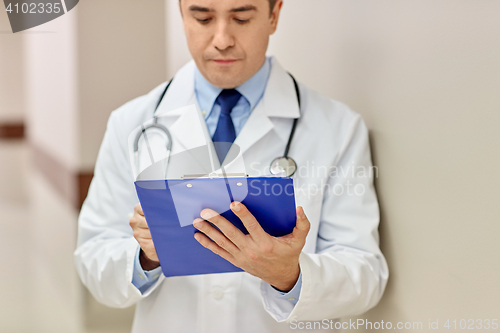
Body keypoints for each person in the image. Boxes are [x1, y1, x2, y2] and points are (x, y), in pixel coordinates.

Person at [74, 0, 389, 332]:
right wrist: (147, 257)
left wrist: (289, 276)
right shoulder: (131, 123)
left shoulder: (337, 128)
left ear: (274, 14)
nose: (222, 38)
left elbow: (365, 275)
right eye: (203, 17)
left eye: (241, 18)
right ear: (182, 15)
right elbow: (93, 258)